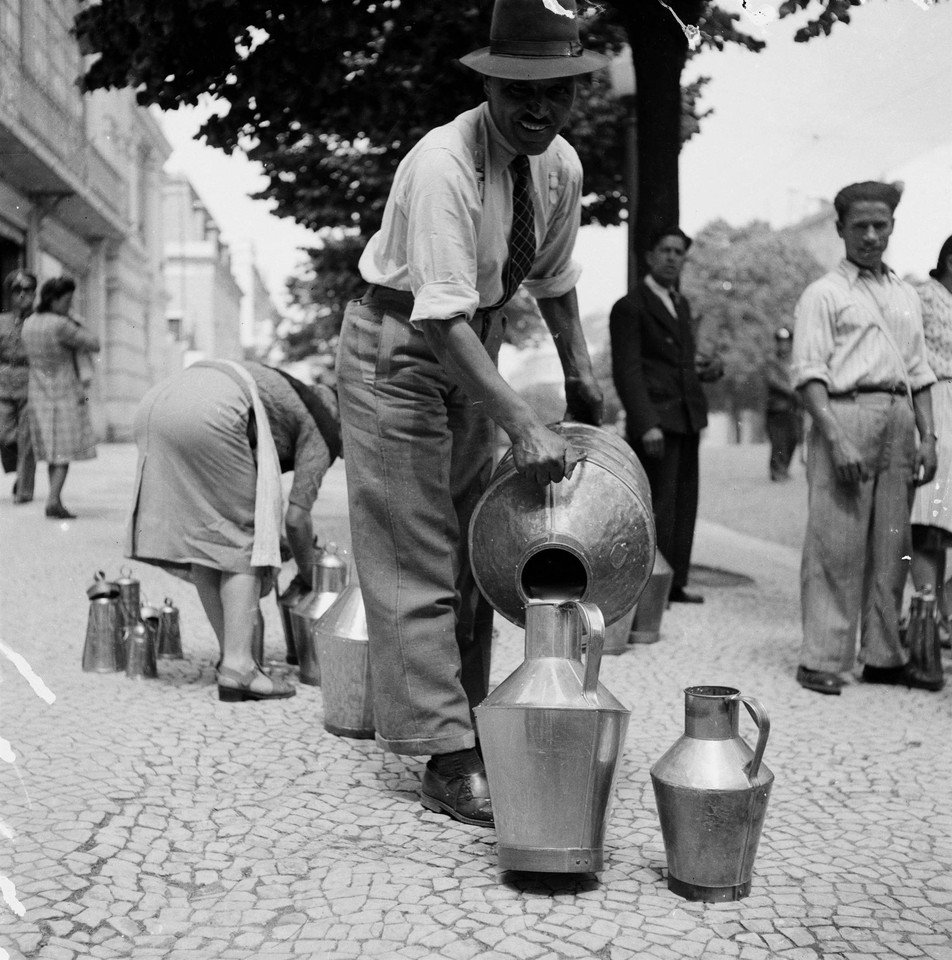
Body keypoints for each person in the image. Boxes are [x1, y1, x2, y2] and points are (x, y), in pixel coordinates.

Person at [335, 0, 607, 827]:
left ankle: (469, 716)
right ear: (489, 81)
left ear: (572, 94)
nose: (538, 110)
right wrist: (521, 421)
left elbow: (555, 285)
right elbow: (439, 317)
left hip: (471, 348)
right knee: (414, 548)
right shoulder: (441, 164)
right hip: (402, 345)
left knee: (472, 547)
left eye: (556, 93)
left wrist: (582, 382)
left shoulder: (558, 166)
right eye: (521, 90)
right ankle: (445, 753)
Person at [792, 181, 939, 695]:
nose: (872, 236)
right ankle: (822, 656)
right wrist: (836, 439)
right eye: (861, 226)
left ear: (893, 226)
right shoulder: (824, 293)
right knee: (836, 542)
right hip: (846, 414)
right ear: (840, 230)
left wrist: (929, 437)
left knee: (893, 545)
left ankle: (883, 654)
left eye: (881, 225)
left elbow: (919, 370)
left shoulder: (904, 293)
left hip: (899, 418)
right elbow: (809, 375)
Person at [126, 360, 341, 702]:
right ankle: (240, 667)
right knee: (242, 540)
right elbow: (297, 519)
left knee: (208, 538)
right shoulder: (327, 424)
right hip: (211, 412)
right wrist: (308, 574)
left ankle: (233, 658)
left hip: (158, 404)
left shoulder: (297, 398)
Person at [609, 226, 723, 605]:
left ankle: (673, 583)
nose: (674, 258)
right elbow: (628, 370)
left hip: (686, 418)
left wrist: (706, 370)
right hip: (656, 422)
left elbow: (678, 362)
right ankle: (645, 589)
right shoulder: (631, 306)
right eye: (666, 250)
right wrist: (646, 423)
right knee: (657, 506)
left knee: (683, 504)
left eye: (680, 252)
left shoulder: (681, 304)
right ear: (650, 256)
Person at [21, 276, 100, 519]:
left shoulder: (30, 323)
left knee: (51, 448)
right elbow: (94, 343)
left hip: (38, 392)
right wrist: (76, 321)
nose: (69, 305)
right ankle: (53, 500)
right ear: (54, 300)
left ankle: (54, 497)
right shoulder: (61, 325)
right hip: (64, 391)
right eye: (67, 300)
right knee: (63, 451)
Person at [909, 233, 952, 641]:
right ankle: (927, 616)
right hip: (935, 403)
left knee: (949, 520)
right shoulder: (924, 296)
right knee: (930, 517)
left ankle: (946, 616)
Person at [0, 269, 38, 504]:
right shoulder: (1, 321)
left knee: (27, 439)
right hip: (3, 383)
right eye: (17, 290)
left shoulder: (39, 321)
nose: (22, 295)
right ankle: (18, 472)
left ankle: (24, 490)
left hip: (31, 383)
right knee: (4, 435)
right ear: (10, 295)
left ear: (34, 294)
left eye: (27, 290)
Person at [764, 326, 802, 481]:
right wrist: (792, 391)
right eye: (780, 342)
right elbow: (773, 381)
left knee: (792, 438)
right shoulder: (772, 361)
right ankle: (777, 470)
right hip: (777, 408)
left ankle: (784, 467)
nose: (783, 345)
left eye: (786, 342)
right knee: (778, 440)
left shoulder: (795, 361)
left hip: (793, 408)